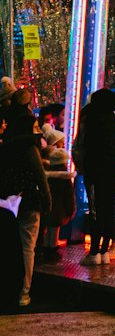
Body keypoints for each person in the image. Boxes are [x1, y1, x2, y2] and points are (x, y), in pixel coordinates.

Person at [0, 95, 50, 307]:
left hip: (6, 201)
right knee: (28, 246)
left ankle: (9, 287)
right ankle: (24, 291)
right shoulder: (29, 148)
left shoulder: (5, 146)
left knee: (10, 245)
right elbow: (40, 177)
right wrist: (47, 201)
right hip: (28, 200)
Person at [77, 88, 115, 263]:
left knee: (95, 210)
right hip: (113, 169)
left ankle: (94, 252)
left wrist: (81, 165)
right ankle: (104, 251)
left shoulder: (91, 119)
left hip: (95, 170)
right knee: (109, 208)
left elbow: (83, 145)